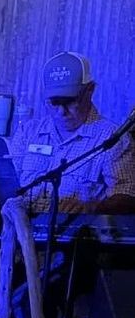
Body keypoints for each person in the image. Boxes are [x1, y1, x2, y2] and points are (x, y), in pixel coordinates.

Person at [10, 52, 135, 214]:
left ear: (89, 90)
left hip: (76, 235)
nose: (61, 112)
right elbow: (8, 186)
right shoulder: (28, 132)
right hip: (22, 230)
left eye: (70, 102)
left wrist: (93, 207)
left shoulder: (112, 138)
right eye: (54, 103)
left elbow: (128, 195)